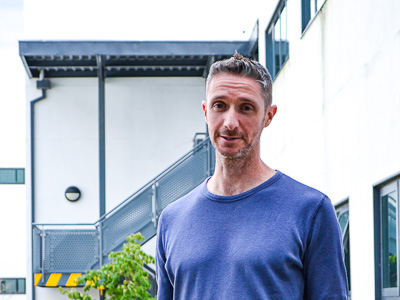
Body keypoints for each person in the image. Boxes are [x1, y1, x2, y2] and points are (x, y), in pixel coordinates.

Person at [156, 53, 348, 299]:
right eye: (219, 105)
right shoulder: (172, 220)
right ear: (206, 111)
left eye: (246, 108)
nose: (230, 122)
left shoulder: (311, 211)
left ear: (268, 116)